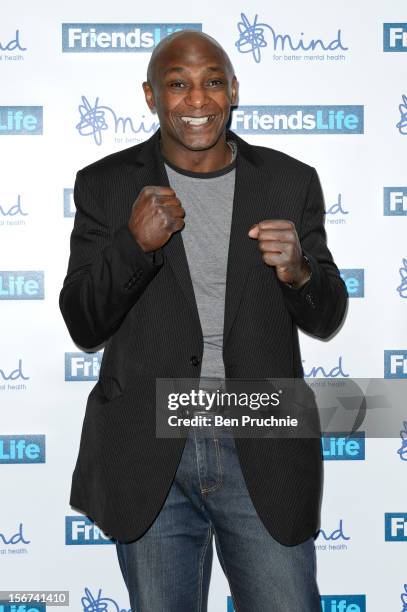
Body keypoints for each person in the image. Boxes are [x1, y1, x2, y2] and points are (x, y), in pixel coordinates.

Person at [59, 29, 348, 612]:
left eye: (213, 81)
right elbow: (83, 324)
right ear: (150, 96)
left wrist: (299, 275)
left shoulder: (291, 181)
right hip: (149, 444)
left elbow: (328, 316)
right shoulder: (105, 184)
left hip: (264, 433)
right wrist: (134, 247)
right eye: (178, 84)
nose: (198, 101)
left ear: (234, 90)